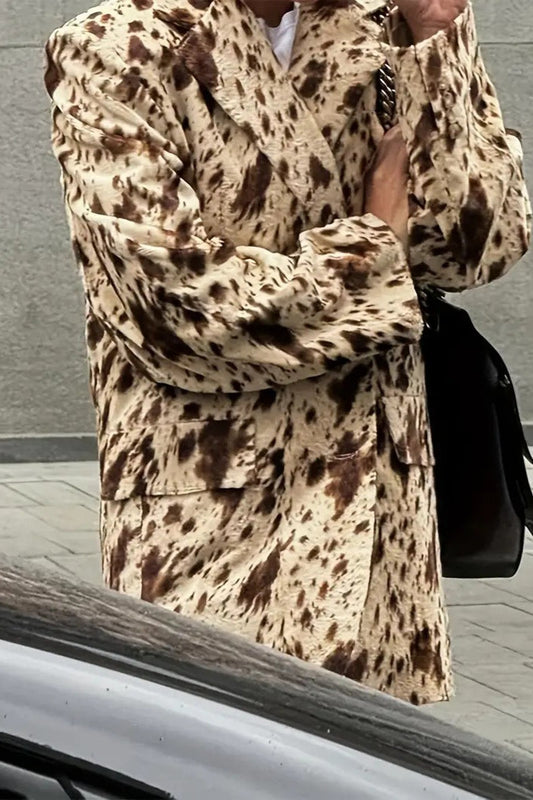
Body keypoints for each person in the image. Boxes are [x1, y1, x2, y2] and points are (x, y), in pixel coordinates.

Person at [44, 0, 531, 705]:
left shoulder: (381, 33)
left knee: (361, 755)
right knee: (205, 742)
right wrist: (370, 250)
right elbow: (181, 307)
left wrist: (438, 38)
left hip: (377, 526)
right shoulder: (119, 46)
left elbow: (477, 245)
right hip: (213, 516)